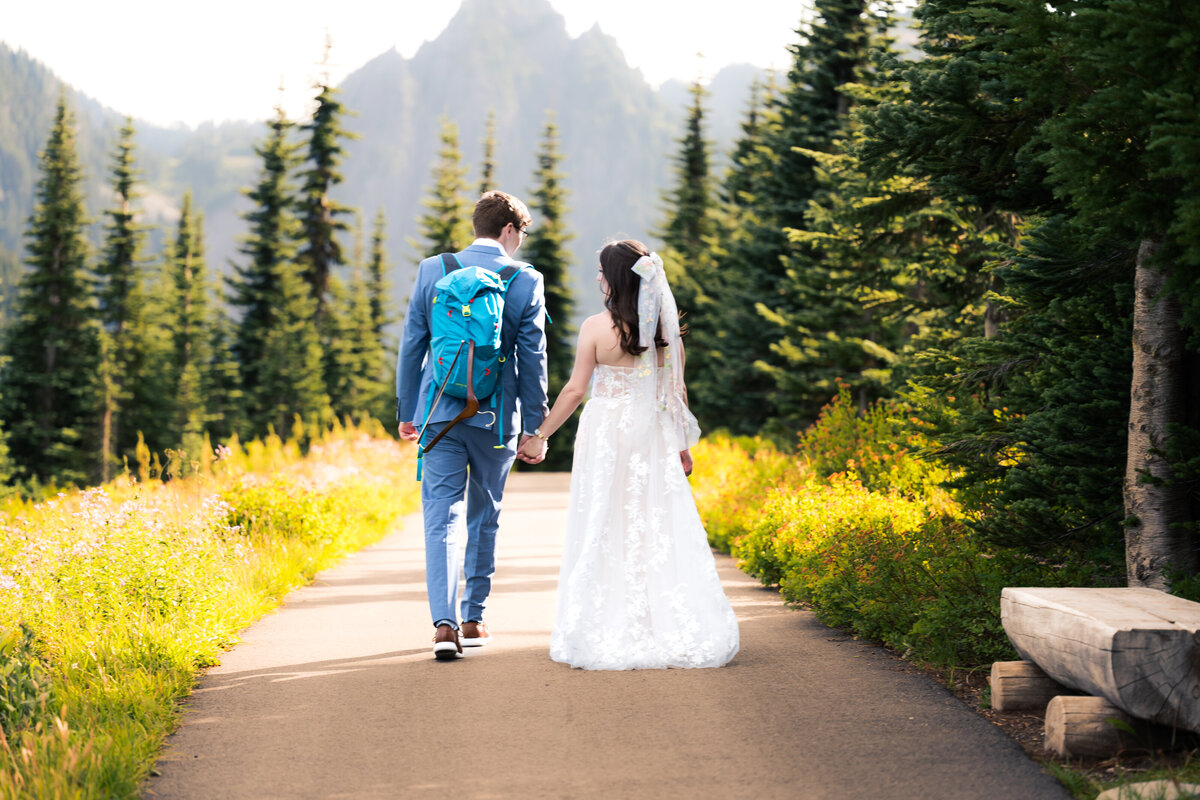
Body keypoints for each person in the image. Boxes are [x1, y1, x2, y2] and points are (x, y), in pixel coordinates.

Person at [519, 239, 739, 670]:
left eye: (601, 271)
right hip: (653, 434)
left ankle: (606, 621)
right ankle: (660, 621)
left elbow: (575, 390)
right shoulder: (663, 330)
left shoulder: (596, 328)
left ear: (614, 279)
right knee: (655, 518)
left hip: (606, 435)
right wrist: (681, 445)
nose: (597, 277)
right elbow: (676, 390)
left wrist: (540, 435)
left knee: (605, 519)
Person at [397, 190, 550, 661]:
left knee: (440, 517)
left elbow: (412, 344)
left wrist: (407, 410)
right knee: (485, 512)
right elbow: (533, 357)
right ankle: (473, 617)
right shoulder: (525, 279)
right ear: (509, 230)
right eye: (522, 233)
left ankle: (443, 625)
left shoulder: (432, 270)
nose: (521, 241)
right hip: (495, 417)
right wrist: (535, 427)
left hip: (438, 414)